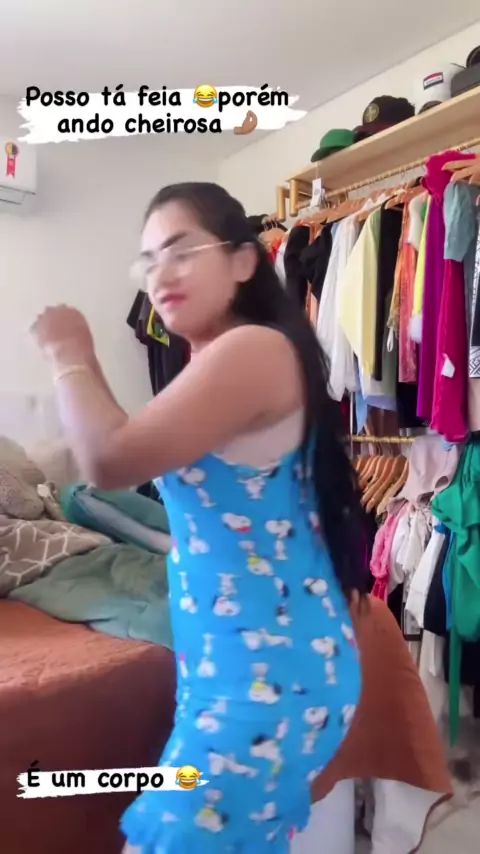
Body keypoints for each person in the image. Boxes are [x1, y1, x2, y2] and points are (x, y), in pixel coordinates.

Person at [31, 182, 365, 854]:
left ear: (243, 261)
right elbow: (128, 449)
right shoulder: (221, 359)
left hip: (264, 683)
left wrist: (69, 352)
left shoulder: (253, 350)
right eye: (149, 260)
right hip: (240, 671)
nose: (161, 274)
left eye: (181, 251)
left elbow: (109, 460)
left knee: (166, 839)